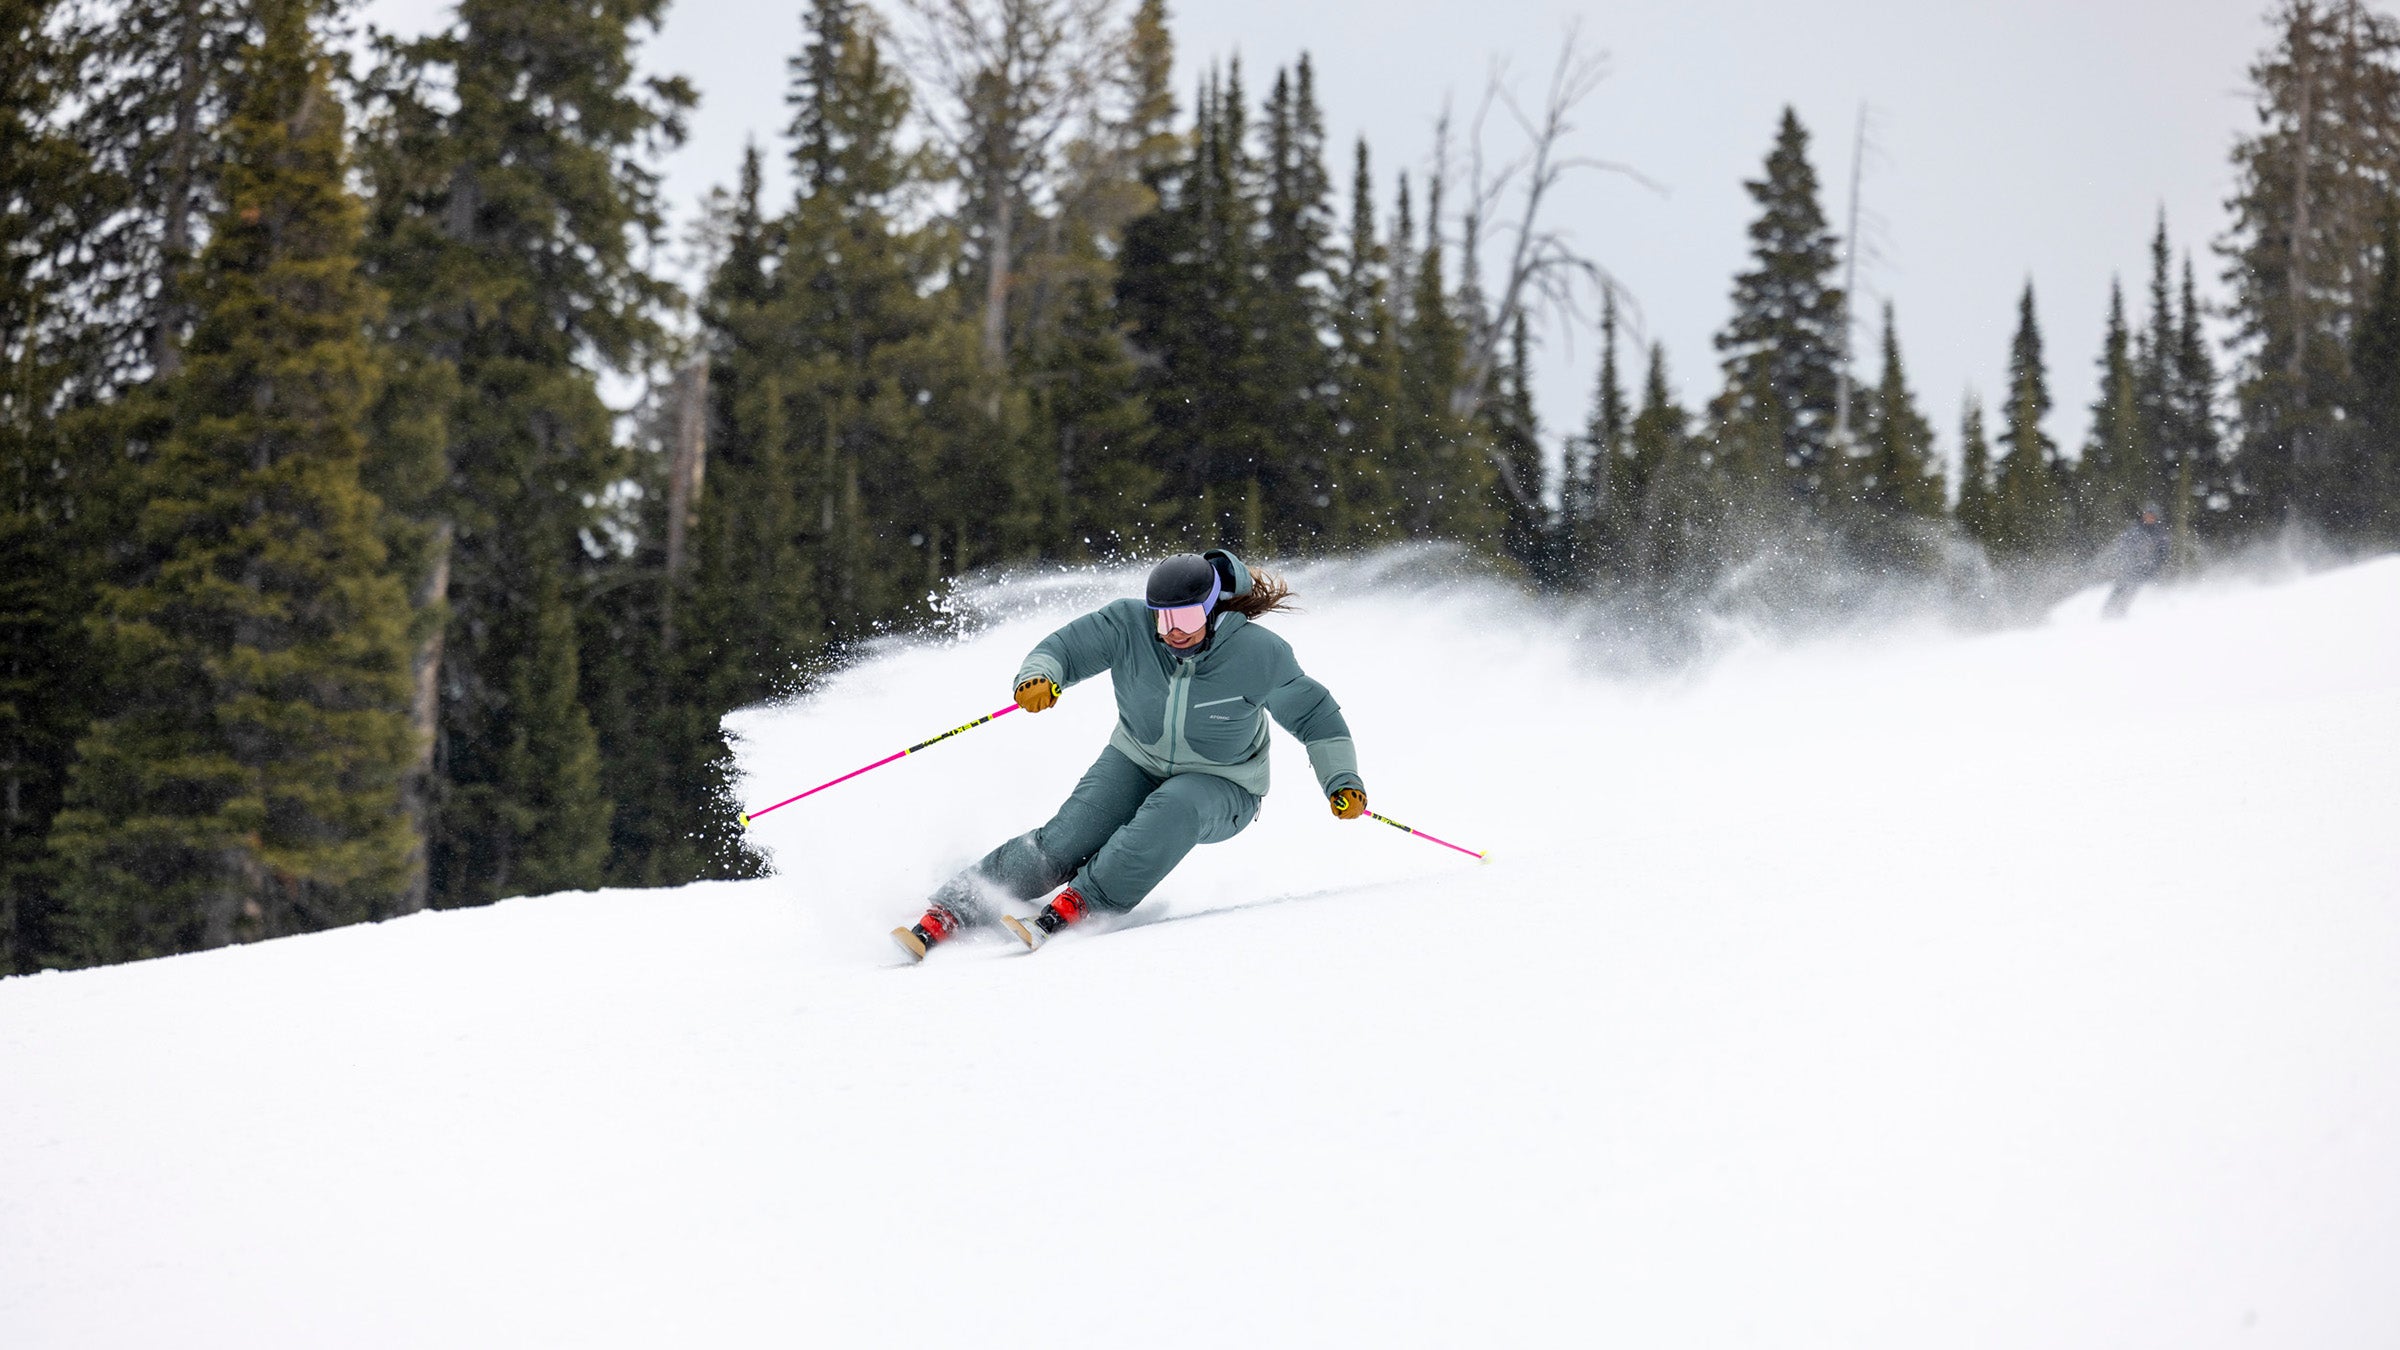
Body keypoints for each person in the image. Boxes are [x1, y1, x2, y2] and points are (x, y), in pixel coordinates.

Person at [893, 550, 1368, 959]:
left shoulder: (1259, 653)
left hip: (1225, 784)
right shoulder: (1128, 625)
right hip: (1136, 757)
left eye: (1184, 619)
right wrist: (1038, 677)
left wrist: (1341, 781)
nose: (1172, 632)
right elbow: (1064, 648)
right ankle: (956, 906)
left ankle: (1086, 899)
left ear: (1212, 609)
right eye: (1163, 618)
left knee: (1174, 807)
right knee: (1064, 839)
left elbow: (1316, 717)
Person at [2100, 504, 2171, 619]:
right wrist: (2126, 558)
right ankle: (2107, 611)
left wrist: (2154, 565)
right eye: (2147, 515)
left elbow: (2163, 552)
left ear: (2156, 518)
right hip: (2129, 566)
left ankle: (2121, 611)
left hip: (2145, 569)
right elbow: (2123, 545)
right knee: (2120, 587)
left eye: (2151, 516)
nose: (2148, 518)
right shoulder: (2135, 529)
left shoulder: (2160, 533)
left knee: (2132, 590)